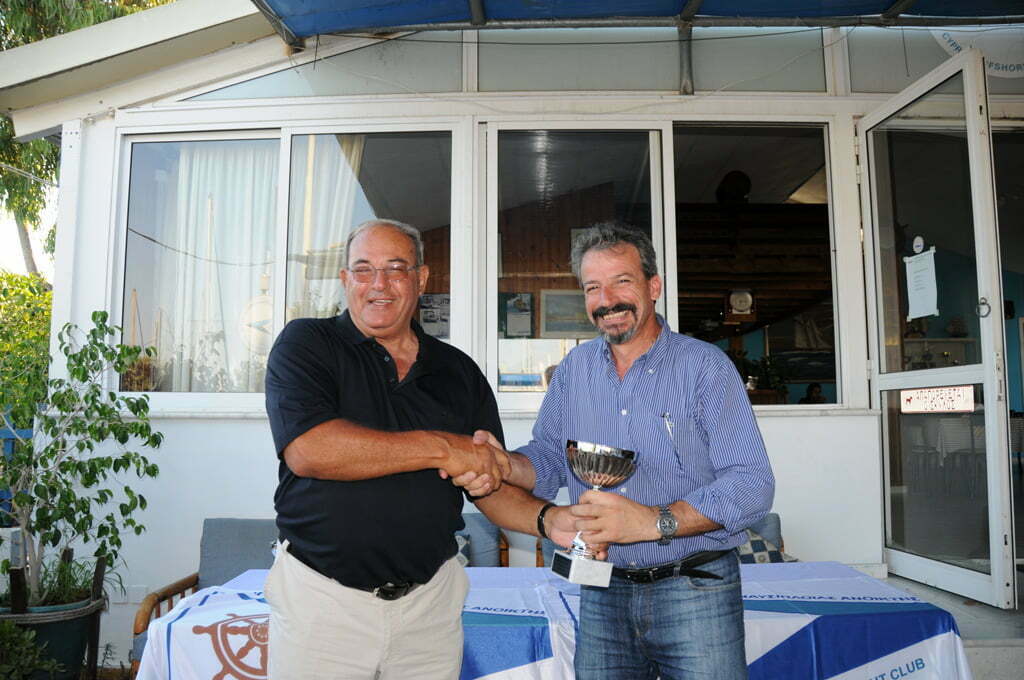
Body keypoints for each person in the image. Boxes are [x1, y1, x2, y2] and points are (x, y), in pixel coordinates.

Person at [473, 223, 775, 680]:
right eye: (592, 287)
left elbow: (752, 484)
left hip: (695, 590)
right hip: (602, 589)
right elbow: (551, 458)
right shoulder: (573, 370)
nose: (607, 299)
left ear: (653, 286)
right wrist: (506, 464)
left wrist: (654, 522)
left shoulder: (705, 367)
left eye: (622, 281)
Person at [263, 219, 517, 679]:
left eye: (396, 269)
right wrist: (443, 448)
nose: (378, 284)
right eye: (363, 270)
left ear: (421, 279)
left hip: (430, 609)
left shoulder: (458, 371)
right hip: (322, 605)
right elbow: (310, 450)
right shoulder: (307, 343)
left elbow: (487, 481)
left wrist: (550, 519)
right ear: (345, 279)